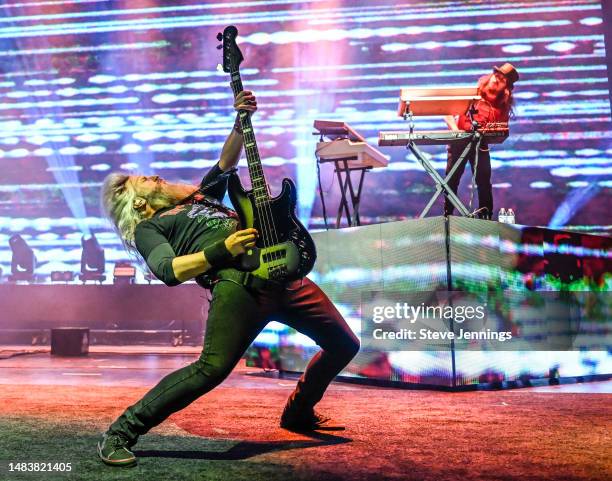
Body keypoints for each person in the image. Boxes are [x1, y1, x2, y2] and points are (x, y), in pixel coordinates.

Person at [97, 90, 360, 467]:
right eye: (146, 181)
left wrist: (241, 119)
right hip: (239, 286)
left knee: (344, 344)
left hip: (283, 275)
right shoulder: (151, 227)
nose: (156, 176)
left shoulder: (198, 198)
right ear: (138, 203)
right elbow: (169, 271)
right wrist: (223, 251)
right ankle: (121, 431)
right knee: (211, 369)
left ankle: (298, 411)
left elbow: (226, 163)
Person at [443, 63, 519, 219]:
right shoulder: (473, 93)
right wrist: (456, 132)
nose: (497, 80)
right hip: (460, 141)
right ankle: (448, 215)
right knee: (451, 180)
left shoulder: (502, 105)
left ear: (506, 88)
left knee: (484, 182)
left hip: (480, 144)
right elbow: (447, 112)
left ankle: (485, 216)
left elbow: (500, 129)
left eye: (502, 80)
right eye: (496, 76)